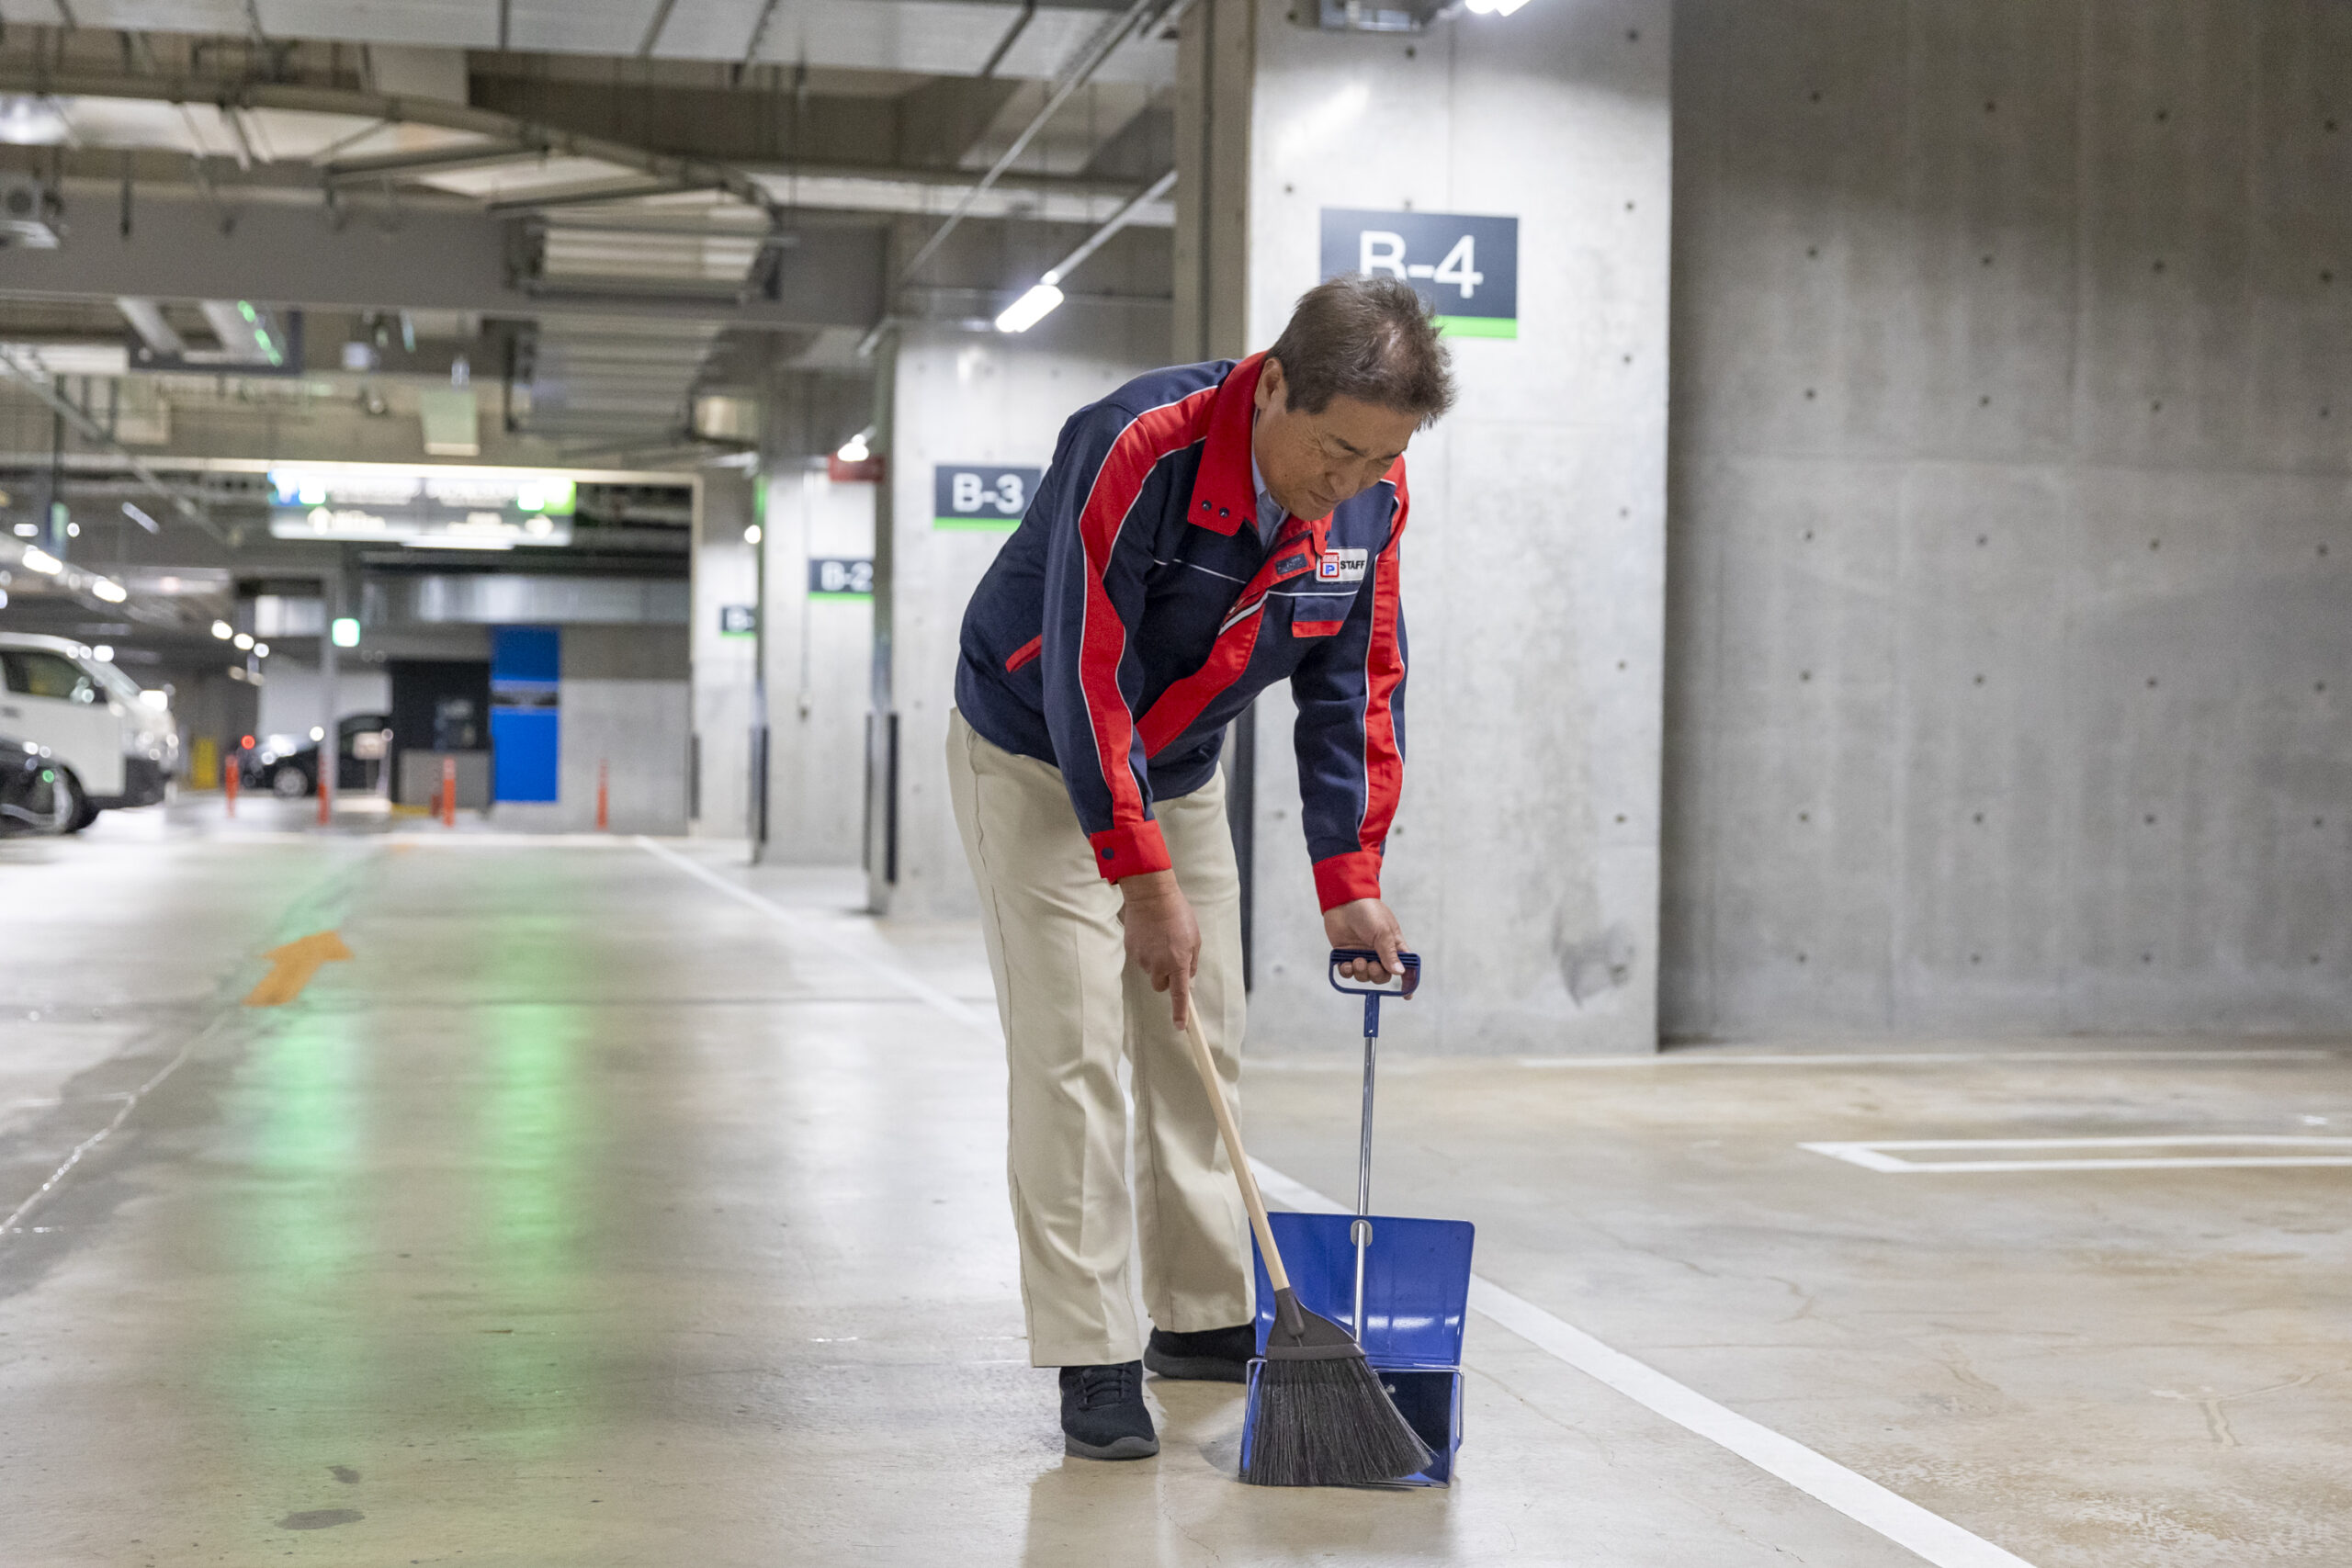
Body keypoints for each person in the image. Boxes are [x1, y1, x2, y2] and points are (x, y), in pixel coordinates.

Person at [945, 276, 1454, 1459]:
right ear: (1271, 382)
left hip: (1175, 763)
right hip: (1033, 742)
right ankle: (1093, 1348)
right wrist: (1142, 881)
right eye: (1335, 448)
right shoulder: (1138, 445)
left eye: (1379, 461)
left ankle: (1204, 1315)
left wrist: (1350, 878)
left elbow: (1354, 687)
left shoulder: (1369, 507)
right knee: (1074, 1050)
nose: (1348, 482)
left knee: (1196, 1032)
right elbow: (1085, 668)